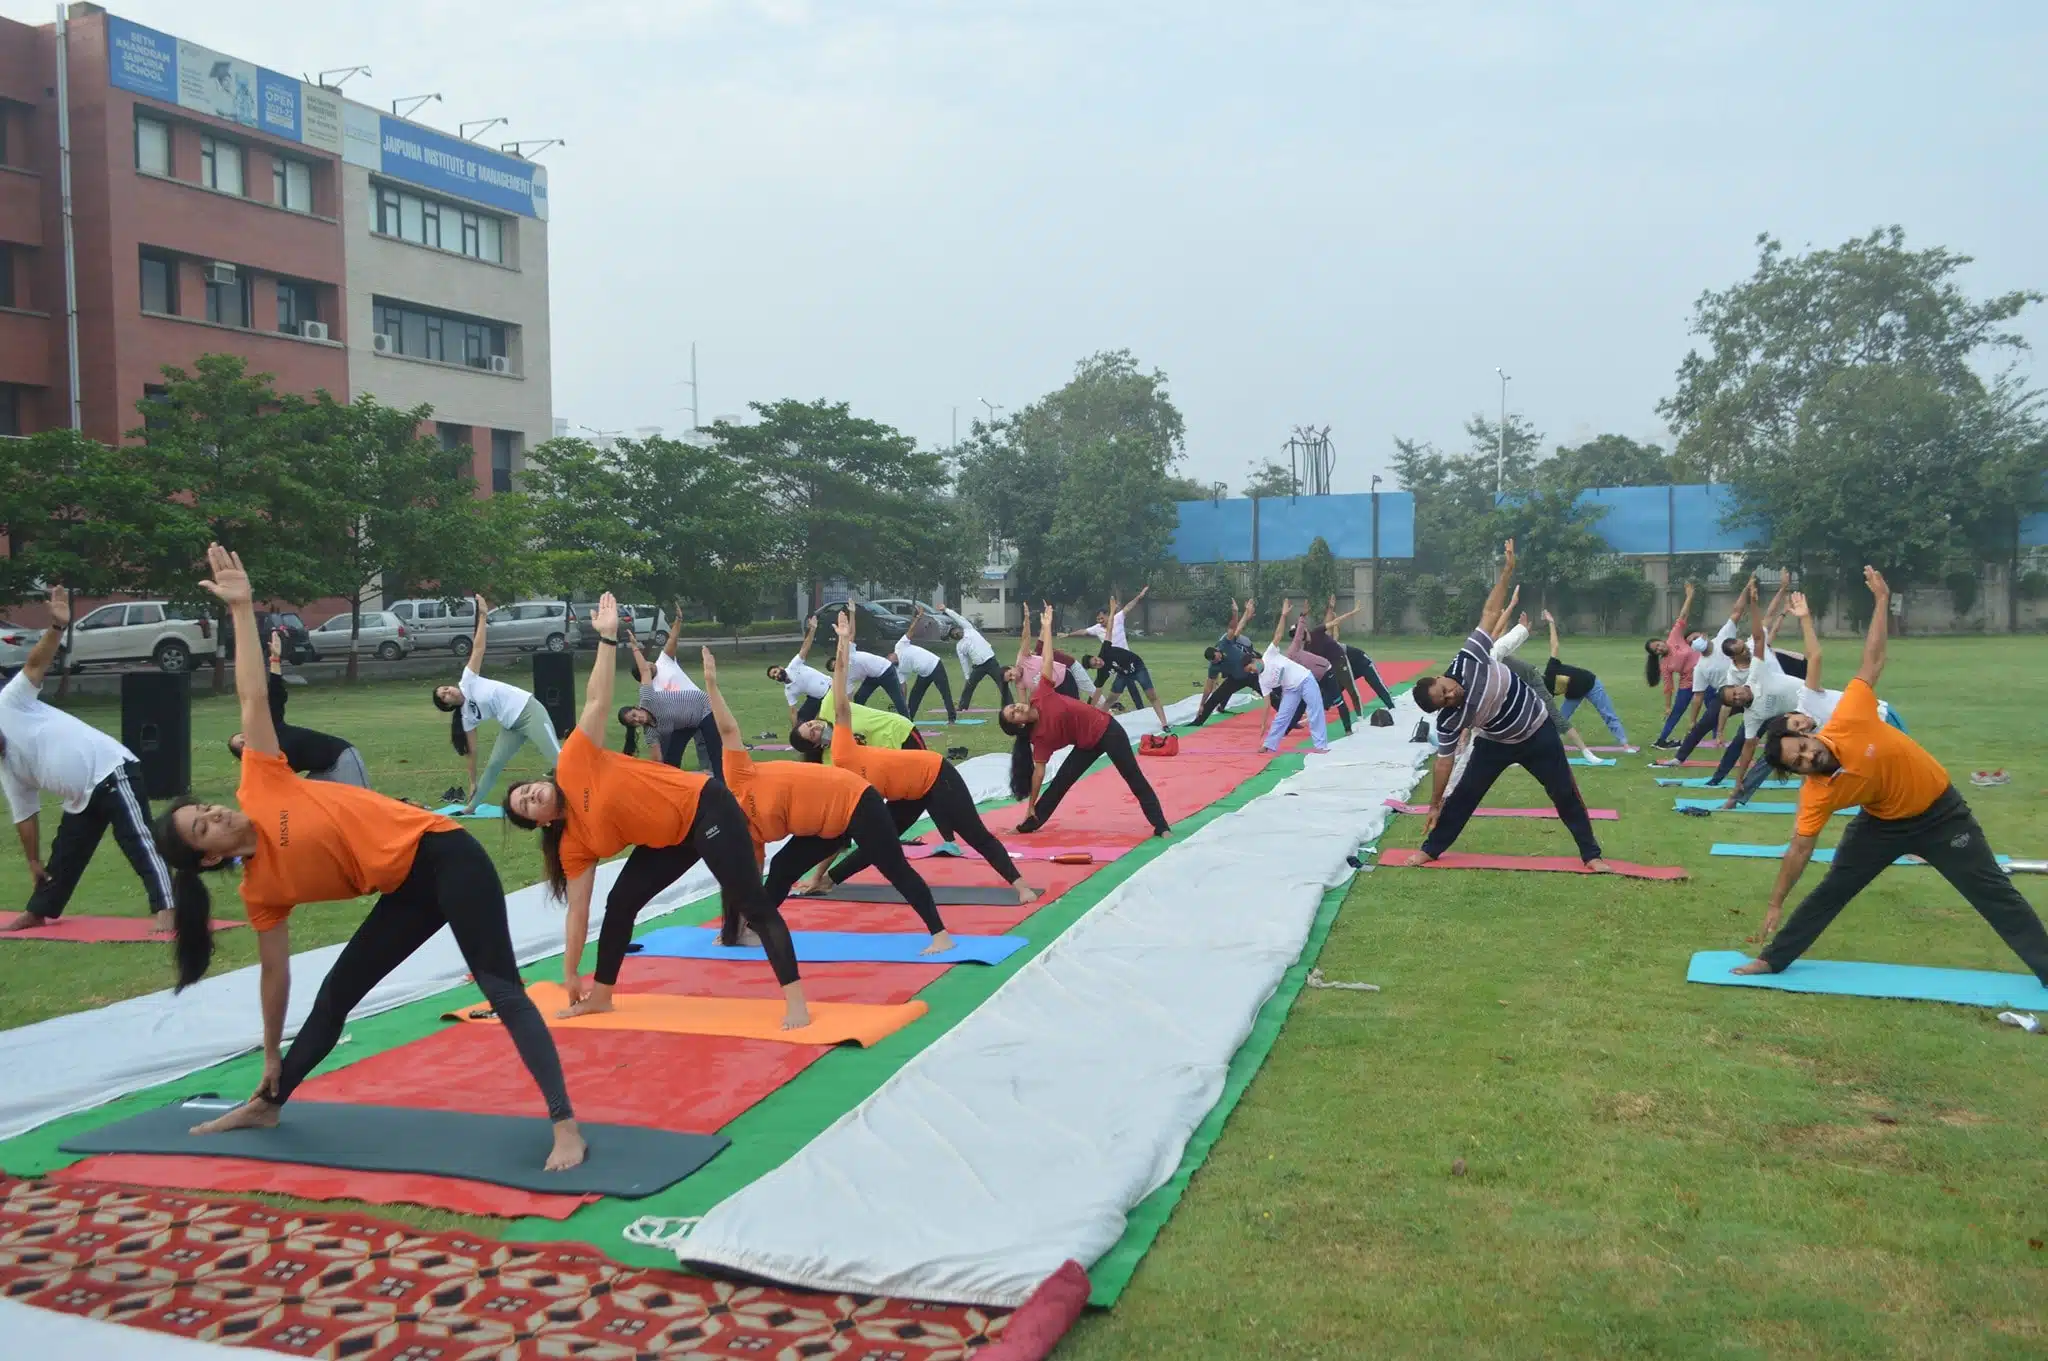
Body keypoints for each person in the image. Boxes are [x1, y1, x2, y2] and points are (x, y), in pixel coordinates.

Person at [157, 546, 583, 1170]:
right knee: (335, 995)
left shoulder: (262, 781)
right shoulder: (261, 891)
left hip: (446, 855)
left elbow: (252, 696)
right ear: (204, 860)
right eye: (202, 827)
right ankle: (269, 1103)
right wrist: (271, 1052)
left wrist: (243, 611)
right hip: (404, 888)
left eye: (205, 808)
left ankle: (565, 1124)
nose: (215, 814)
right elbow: (275, 975)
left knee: (501, 987)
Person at [502, 595, 808, 1029]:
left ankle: (796, 1001)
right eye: (526, 805)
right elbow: (577, 912)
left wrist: (607, 638)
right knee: (619, 903)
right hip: (670, 840)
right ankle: (601, 996)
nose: (531, 795)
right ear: (542, 821)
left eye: (527, 790)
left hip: (706, 807)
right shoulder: (574, 846)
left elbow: (596, 701)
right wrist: (570, 971)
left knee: (750, 901)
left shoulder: (573, 764)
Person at [1735, 566, 2048, 984]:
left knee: (1992, 891)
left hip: (1942, 815)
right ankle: (1773, 960)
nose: (1809, 757)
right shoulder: (1817, 793)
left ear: (1808, 734)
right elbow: (1799, 851)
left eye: (1805, 748)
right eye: (1800, 762)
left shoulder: (1849, 718)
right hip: (1881, 826)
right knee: (1834, 889)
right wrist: (1775, 903)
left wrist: (1882, 601)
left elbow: (1873, 660)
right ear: (1797, 772)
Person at [703, 647, 953, 951]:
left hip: (857, 801)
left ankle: (940, 935)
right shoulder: (749, 837)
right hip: (826, 825)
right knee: (782, 867)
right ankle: (754, 929)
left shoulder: (738, 777)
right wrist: (734, 927)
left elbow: (728, 729)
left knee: (894, 868)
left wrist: (711, 683)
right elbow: (748, 882)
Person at [791, 610, 1041, 902]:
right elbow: (840, 828)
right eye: (812, 733)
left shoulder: (838, 725)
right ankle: (828, 881)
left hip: (929, 769)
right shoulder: (833, 763)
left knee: (974, 833)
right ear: (816, 747)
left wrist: (844, 642)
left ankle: (1020, 886)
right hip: (906, 791)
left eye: (811, 724)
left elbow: (841, 680)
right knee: (878, 841)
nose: (817, 727)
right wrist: (816, 875)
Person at [1409, 540, 1609, 871]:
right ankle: (1431, 849)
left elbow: (1490, 613)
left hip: (1538, 731)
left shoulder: (1469, 657)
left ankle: (1591, 855)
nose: (1451, 695)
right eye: (1444, 700)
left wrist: (1507, 571)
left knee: (1564, 793)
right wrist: (1433, 804)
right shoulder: (1448, 720)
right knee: (1464, 797)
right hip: (1495, 744)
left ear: (1440, 677)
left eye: (1446, 689)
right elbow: (1444, 763)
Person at [0, 589, 176, 933]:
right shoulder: (8, 768)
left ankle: (167, 906)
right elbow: (25, 816)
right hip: (81, 796)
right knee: (65, 854)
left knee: (138, 840)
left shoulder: (10, 702)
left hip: (112, 770)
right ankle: (39, 910)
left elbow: (35, 665)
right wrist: (33, 861)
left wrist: (56, 627)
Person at [1001, 604, 1170, 837]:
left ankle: (1161, 826)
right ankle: (1030, 823)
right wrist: (1030, 806)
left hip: (1107, 729)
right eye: (1014, 714)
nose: (1017, 707)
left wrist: (1047, 628)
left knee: (1132, 776)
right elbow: (1038, 774)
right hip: (1086, 744)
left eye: (1013, 706)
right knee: (1061, 782)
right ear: (1019, 724)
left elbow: (1047, 660)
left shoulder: (1040, 696)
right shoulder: (1039, 739)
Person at [430, 597, 561, 813]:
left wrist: (482, 615)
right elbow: (473, 751)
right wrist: (472, 781)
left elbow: (478, 648)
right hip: (511, 726)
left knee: (558, 760)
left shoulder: (467, 680)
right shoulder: (466, 716)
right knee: (493, 765)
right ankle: (471, 807)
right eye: (444, 696)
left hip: (529, 711)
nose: (447, 691)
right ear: (448, 706)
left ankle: (585, 791)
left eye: (445, 688)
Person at [227, 632, 370, 787]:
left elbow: (275, 695)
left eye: (243, 736)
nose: (246, 740)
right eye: (241, 744)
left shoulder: (271, 729)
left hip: (341, 757)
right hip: (320, 771)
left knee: (361, 801)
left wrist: (275, 659)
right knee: (306, 800)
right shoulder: (268, 763)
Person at [1654, 577, 1755, 769]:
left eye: (1695, 638)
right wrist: (1692, 721)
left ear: (1704, 635)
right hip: (1727, 696)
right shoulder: (1700, 667)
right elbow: (1698, 697)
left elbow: (1737, 611)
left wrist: (1747, 588)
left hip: (1751, 688)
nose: (1694, 642)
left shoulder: (1723, 637)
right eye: (1691, 643)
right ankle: (1678, 758)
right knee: (1701, 726)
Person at [618, 628, 720, 776]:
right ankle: (673, 783)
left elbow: (645, 671)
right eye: (633, 722)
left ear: (636, 708)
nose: (637, 719)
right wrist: (655, 773)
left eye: (634, 715)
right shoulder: (650, 733)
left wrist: (634, 647)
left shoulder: (647, 698)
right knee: (670, 762)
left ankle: (724, 782)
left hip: (703, 708)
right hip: (685, 724)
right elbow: (657, 759)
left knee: (715, 753)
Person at [1073, 588, 1169, 728]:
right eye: (1096, 664)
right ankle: (1097, 724)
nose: (1099, 662)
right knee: (1110, 699)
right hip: (1122, 672)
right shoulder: (1102, 670)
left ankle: (1164, 723)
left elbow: (1115, 622)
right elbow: (1097, 692)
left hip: (1136, 665)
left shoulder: (1105, 649)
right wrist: (1089, 710)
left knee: (1151, 695)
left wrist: (1137, 597)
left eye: (1096, 660)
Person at [1539, 610, 1629, 748]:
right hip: (1574, 695)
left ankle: (1624, 744)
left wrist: (1551, 622)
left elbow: (1554, 645)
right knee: (1560, 719)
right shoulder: (1546, 692)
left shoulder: (1551, 669)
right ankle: (1549, 743)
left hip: (1591, 684)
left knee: (1607, 713)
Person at [1257, 600, 1333, 754]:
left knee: (1315, 709)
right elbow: (1267, 703)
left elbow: (1283, 634)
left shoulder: (1270, 654)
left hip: (1305, 679)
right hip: (1290, 689)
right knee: (1282, 716)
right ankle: (1269, 744)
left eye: (1252, 666)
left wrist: (1287, 616)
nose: (1253, 670)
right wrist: (1263, 723)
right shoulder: (1291, 651)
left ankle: (1321, 745)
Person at [1647, 584, 1702, 748]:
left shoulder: (1674, 637)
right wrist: (1667, 706)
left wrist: (1689, 596)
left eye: (1658, 644)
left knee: (1717, 706)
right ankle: (1661, 740)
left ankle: (1716, 739)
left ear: (1661, 641)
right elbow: (1668, 687)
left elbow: (1682, 616)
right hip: (1689, 684)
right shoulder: (1665, 665)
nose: (1659, 648)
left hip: (1706, 676)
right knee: (1677, 712)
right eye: (1656, 650)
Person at [1193, 598, 1260, 727]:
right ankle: (1198, 721)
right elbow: (1208, 687)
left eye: (1217, 657)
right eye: (1215, 661)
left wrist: (1236, 612)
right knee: (1217, 696)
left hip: (1250, 673)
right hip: (1235, 678)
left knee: (1270, 693)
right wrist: (1202, 704)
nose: (1218, 660)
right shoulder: (1213, 666)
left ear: (1217, 651)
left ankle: (1290, 718)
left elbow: (1235, 627)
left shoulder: (1225, 643)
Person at [766, 618, 833, 727]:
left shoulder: (793, 665)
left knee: (827, 719)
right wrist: (795, 730)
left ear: (780, 667)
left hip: (831, 688)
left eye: (775, 672)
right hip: (816, 698)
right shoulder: (789, 690)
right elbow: (793, 711)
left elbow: (805, 647)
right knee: (801, 720)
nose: (776, 675)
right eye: (774, 677)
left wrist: (813, 628)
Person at [895, 609, 957, 722]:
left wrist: (918, 618)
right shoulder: (898, 670)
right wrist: (902, 702)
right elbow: (903, 687)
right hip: (923, 674)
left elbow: (910, 631)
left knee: (945, 693)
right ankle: (908, 719)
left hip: (934, 664)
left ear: (890, 655)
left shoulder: (899, 646)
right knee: (915, 695)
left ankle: (952, 718)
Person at [951, 612, 1010, 710]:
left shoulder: (969, 629)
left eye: (955, 631)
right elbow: (963, 661)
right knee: (969, 686)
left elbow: (958, 617)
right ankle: (962, 706)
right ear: (954, 638)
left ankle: (1009, 704)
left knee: (1001, 682)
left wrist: (945, 610)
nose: (956, 633)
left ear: (959, 628)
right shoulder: (959, 646)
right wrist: (967, 676)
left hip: (990, 661)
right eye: (953, 635)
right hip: (978, 666)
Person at [842, 641, 910, 716]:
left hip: (886, 670)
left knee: (898, 699)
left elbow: (849, 638)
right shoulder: (846, 676)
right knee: (859, 697)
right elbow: (848, 697)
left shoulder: (849, 653)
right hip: (871, 677)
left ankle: (908, 721)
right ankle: (860, 718)